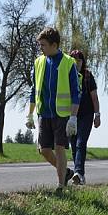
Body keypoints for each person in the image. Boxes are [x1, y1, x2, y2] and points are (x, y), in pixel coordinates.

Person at [26, 27, 79, 193]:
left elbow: (76, 92)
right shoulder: (38, 62)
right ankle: (66, 172)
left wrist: (73, 117)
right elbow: (34, 90)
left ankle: (61, 185)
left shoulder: (68, 62)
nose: (40, 48)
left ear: (54, 45)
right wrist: (30, 114)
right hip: (44, 113)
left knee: (59, 148)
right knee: (44, 150)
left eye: (43, 45)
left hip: (62, 114)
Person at [67, 49, 101, 185]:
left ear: (83, 62)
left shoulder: (88, 76)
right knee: (74, 145)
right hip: (70, 115)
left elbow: (94, 97)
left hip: (86, 115)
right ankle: (79, 174)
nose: (77, 62)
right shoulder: (66, 75)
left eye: (79, 60)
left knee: (81, 143)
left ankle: (79, 173)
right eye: (74, 60)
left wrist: (97, 115)